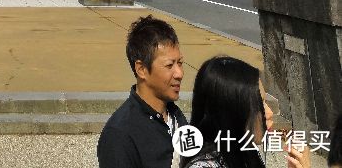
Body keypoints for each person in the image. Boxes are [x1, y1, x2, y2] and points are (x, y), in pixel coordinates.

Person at [179, 55, 309, 168]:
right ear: (233, 113)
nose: (269, 113)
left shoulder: (242, 150)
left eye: (266, 102)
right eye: (259, 105)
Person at [97, 15, 186, 168]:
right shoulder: (119, 135)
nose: (179, 73)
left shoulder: (176, 116)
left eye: (180, 63)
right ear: (142, 69)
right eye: (169, 65)